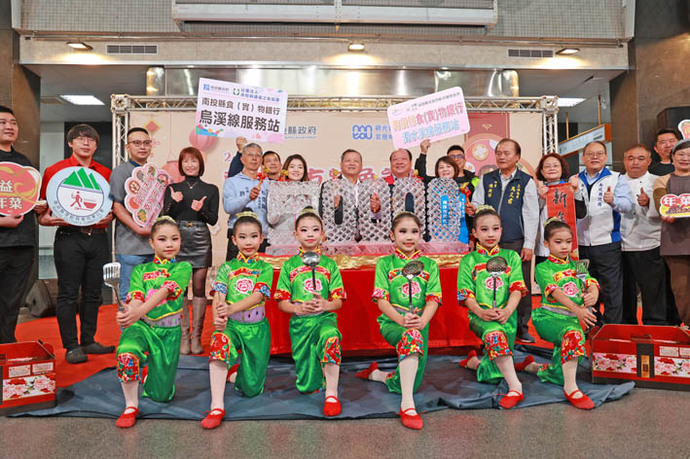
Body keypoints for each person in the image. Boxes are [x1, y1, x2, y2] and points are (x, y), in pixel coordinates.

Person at [356, 211, 441, 430]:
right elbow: (381, 300)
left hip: (420, 324)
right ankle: (408, 406)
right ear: (392, 235)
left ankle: (378, 375)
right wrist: (402, 320)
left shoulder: (430, 265)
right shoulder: (385, 263)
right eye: (403, 231)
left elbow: (433, 299)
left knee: (411, 381)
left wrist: (422, 321)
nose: (409, 237)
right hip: (393, 322)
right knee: (411, 340)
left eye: (414, 231)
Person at [38, 124, 115, 364]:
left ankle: (88, 340)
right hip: (69, 237)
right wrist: (45, 219)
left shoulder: (105, 173)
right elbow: (43, 211)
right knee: (68, 293)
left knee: (94, 293)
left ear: (96, 145)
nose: (86, 143)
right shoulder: (55, 171)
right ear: (70, 143)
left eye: (91, 139)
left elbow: (111, 208)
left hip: (98, 237)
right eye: (80, 139)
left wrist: (111, 216)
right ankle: (71, 346)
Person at [114, 216, 192, 428]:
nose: (169, 244)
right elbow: (136, 297)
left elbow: (164, 292)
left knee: (161, 395)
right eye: (162, 239)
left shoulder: (183, 268)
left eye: (174, 239)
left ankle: (150, 376)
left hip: (169, 333)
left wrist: (136, 312)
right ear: (152, 243)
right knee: (127, 352)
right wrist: (129, 312)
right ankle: (130, 406)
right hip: (143, 326)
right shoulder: (140, 270)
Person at [201, 209, 273, 429]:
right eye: (242, 237)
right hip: (231, 325)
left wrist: (230, 308)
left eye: (253, 236)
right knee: (219, 343)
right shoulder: (227, 268)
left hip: (257, 328)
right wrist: (218, 320)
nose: (248, 242)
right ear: (234, 240)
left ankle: (236, 375)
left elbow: (258, 296)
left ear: (261, 238)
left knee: (251, 389)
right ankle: (216, 406)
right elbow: (219, 295)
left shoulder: (265, 268)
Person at [519, 219, 599, 409]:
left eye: (568, 242)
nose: (564, 246)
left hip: (573, 319)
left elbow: (590, 283)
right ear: (546, 244)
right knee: (573, 336)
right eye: (558, 242)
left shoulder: (577, 265)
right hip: (549, 318)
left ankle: (532, 367)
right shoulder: (542, 268)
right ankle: (571, 389)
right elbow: (556, 293)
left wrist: (593, 296)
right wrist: (578, 309)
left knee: (562, 369)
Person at [274, 207, 346, 417]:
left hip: (324, 319)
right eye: (304, 230)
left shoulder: (330, 265)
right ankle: (318, 376)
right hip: (300, 324)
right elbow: (281, 302)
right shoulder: (289, 266)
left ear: (322, 234)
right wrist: (298, 308)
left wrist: (325, 305)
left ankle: (332, 394)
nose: (310, 234)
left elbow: (339, 300)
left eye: (315, 230)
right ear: (295, 234)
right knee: (307, 386)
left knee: (330, 338)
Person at [457, 205, 529, 409]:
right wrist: (481, 312)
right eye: (484, 229)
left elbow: (517, 289)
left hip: (507, 316)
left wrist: (507, 311)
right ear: (474, 232)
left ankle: (475, 363)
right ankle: (516, 387)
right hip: (481, 317)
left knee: (493, 373)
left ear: (501, 230)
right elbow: (465, 294)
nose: (490, 234)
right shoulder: (469, 260)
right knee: (494, 336)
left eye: (495, 229)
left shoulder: (511, 257)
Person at [469, 138, 539, 343]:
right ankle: (489, 321)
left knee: (520, 284)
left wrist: (528, 244)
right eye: (498, 153)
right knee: (489, 282)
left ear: (517, 157)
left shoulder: (525, 181)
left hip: (515, 241)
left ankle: (521, 327)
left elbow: (531, 214)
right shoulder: (486, 179)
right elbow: (478, 203)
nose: (501, 156)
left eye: (507, 153)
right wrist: (473, 209)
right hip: (488, 242)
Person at [163, 147, 219, 355]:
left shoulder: (211, 189)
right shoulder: (172, 188)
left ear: (200, 164)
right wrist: (173, 202)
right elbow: (164, 216)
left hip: (201, 238)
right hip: (177, 238)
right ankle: (184, 338)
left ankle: (196, 337)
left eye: (194, 161)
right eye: (185, 161)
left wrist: (201, 210)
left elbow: (213, 219)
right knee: (180, 288)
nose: (190, 165)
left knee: (198, 287)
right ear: (181, 164)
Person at [0, 106, 46, 343]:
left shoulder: (23, 163)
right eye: (2, 122)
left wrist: (36, 206)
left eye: (13, 122)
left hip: (23, 243)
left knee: (12, 300)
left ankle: (7, 345)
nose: (9, 127)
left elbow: (25, 199)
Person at [576, 141, 633, 325]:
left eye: (599, 153)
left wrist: (613, 201)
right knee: (584, 287)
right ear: (583, 158)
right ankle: (591, 325)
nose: (595, 157)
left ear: (606, 157)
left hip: (607, 244)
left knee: (611, 289)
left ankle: (611, 328)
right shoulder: (574, 180)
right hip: (579, 246)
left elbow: (627, 205)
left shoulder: (616, 178)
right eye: (590, 154)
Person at [621, 144, 678, 325]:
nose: (635, 163)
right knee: (624, 291)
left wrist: (648, 204)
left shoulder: (658, 181)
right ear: (624, 161)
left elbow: (665, 211)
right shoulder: (615, 181)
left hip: (651, 242)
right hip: (620, 244)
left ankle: (655, 325)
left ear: (649, 161)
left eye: (640, 159)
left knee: (653, 290)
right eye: (630, 158)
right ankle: (626, 325)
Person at [109, 127, 155, 301]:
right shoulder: (120, 172)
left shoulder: (155, 173)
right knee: (129, 295)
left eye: (146, 143)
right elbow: (117, 206)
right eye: (137, 143)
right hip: (130, 247)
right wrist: (138, 229)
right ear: (127, 147)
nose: (142, 147)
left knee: (152, 296)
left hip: (153, 247)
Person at [654, 139, 690, 326]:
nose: (685, 158)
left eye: (689, 155)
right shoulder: (663, 180)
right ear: (673, 157)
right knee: (681, 289)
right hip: (675, 244)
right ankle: (689, 324)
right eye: (681, 154)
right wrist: (666, 213)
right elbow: (661, 203)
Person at [534, 153, 586, 265]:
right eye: (547, 166)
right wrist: (541, 198)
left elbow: (581, 213)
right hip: (544, 248)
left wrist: (576, 190)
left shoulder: (571, 187)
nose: (552, 168)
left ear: (562, 169)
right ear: (542, 171)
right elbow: (531, 216)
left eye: (556, 165)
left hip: (568, 247)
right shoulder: (536, 190)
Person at [319, 149, 382, 240]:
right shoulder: (330, 186)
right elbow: (322, 213)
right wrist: (334, 206)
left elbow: (376, 219)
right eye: (348, 161)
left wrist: (376, 211)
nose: (352, 163)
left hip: (365, 240)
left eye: (356, 161)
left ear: (361, 166)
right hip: (338, 239)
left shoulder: (368, 188)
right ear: (341, 165)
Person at [222, 142, 269, 259]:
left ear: (261, 160)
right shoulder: (231, 182)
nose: (254, 158)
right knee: (236, 270)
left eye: (258, 155)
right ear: (242, 159)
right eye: (250, 155)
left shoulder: (267, 183)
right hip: (239, 237)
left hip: (261, 237)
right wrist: (248, 197)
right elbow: (228, 207)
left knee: (262, 270)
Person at [267, 154, 317, 239]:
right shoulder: (276, 190)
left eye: (300, 167)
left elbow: (316, 217)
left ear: (304, 171)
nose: (296, 170)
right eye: (292, 167)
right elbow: (271, 220)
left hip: (304, 238)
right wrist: (280, 202)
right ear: (286, 169)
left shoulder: (310, 191)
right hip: (282, 238)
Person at [415, 140, 479, 193]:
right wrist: (423, 152)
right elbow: (421, 177)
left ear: (465, 160)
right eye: (452, 157)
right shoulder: (438, 181)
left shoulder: (473, 180)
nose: (456, 159)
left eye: (459, 156)